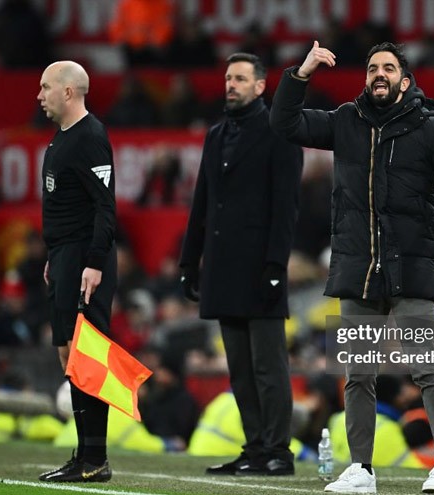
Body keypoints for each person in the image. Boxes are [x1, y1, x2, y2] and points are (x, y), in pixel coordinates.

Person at [270, 41, 434, 494]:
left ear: (405, 80)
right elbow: (284, 122)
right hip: (359, 269)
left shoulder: (429, 127)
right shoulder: (345, 122)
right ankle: (361, 470)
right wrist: (302, 73)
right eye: (373, 67)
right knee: (358, 374)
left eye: (388, 68)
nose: (379, 73)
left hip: (410, 266)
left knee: (426, 368)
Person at [179, 52, 303, 476]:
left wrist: (275, 267)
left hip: (259, 269)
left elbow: (286, 209)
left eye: (240, 79)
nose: (230, 84)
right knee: (239, 370)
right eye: (228, 77)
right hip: (221, 269)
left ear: (260, 86)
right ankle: (254, 449)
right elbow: (202, 203)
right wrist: (188, 261)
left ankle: (278, 452)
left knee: (269, 367)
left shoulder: (279, 133)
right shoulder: (215, 135)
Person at [35, 60, 117, 483]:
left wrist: (94, 262)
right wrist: (56, 254)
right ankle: (84, 454)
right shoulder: (63, 138)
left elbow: (106, 206)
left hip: (85, 259)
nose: (39, 95)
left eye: (46, 87)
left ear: (69, 92)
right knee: (68, 354)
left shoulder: (90, 137)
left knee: (86, 355)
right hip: (66, 256)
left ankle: (95, 458)